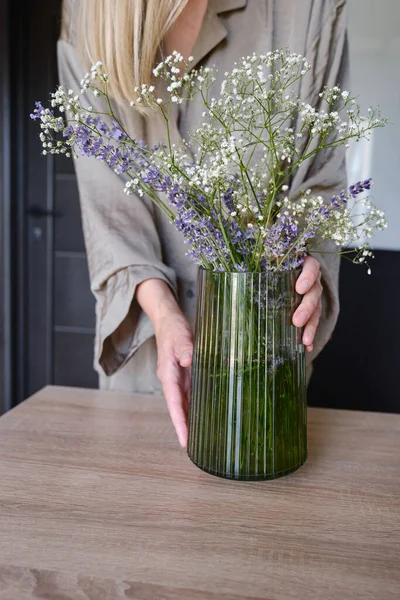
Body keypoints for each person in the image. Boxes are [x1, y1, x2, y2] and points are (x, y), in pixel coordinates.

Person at [58, 0, 348, 447]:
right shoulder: (89, 14)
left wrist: (309, 262)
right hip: (146, 377)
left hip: (259, 375)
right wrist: (164, 313)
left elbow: (322, 181)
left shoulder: (306, 9)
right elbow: (109, 211)